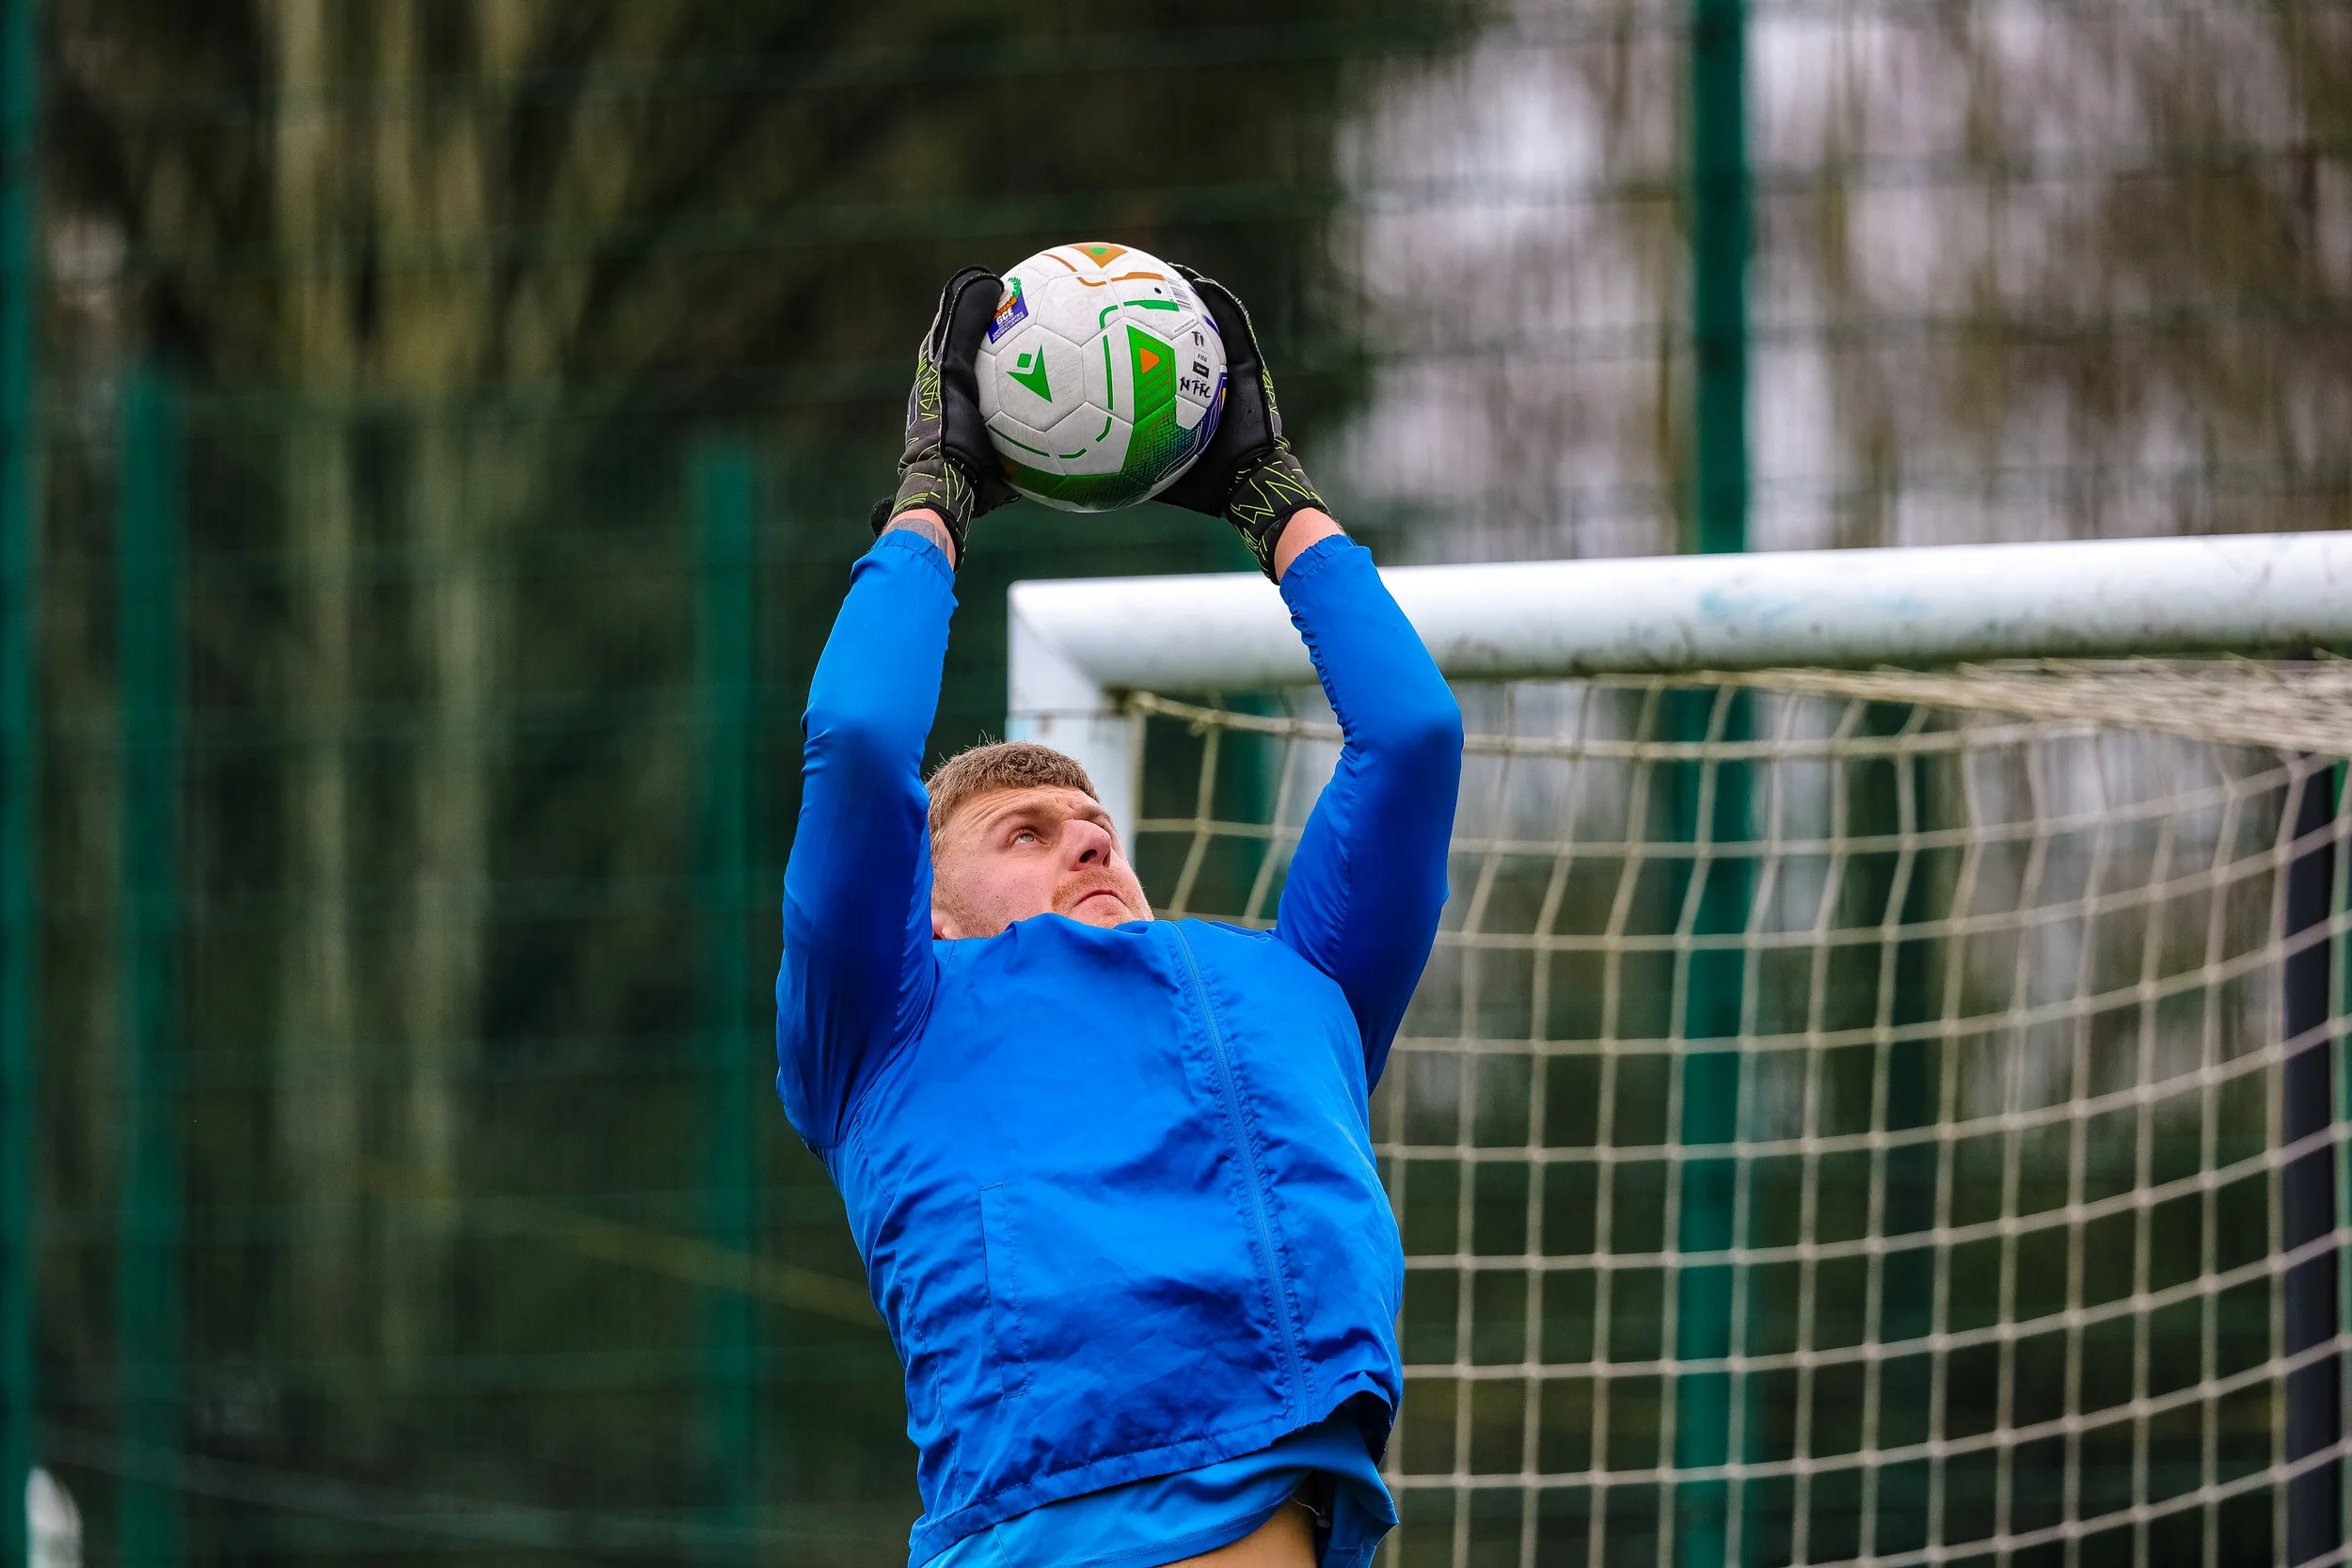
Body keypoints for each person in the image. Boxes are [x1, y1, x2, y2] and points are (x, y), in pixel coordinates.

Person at [776, 261, 1463, 1568]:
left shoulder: (1295, 990)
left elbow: (1414, 735)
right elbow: (860, 737)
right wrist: (934, 495)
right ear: (924, 914)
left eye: (1094, 827)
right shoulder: (884, 1030)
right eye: (1021, 834)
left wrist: (1277, 499)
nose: (1086, 835)